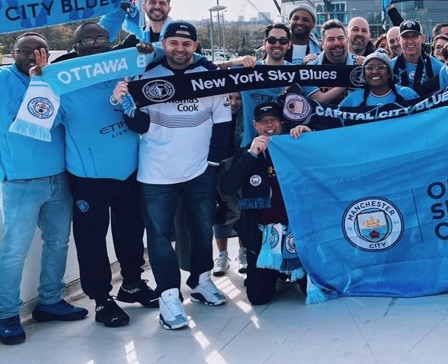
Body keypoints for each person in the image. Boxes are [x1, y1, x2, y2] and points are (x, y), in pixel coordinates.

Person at [33, 23, 160, 328]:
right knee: (91, 240)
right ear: (75, 48)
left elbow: (159, 60)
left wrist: (146, 51)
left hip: (129, 172)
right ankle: (102, 299)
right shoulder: (62, 85)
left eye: (102, 39)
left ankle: (132, 283)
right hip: (90, 177)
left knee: (131, 231)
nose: (95, 44)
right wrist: (40, 84)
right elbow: (40, 123)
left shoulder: (124, 74)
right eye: (86, 40)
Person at [112, 21, 234, 331]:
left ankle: (201, 280)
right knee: (159, 237)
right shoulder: (145, 76)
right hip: (156, 173)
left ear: (195, 46)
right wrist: (124, 100)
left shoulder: (211, 77)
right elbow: (139, 125)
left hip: (199, 171)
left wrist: (213, 163)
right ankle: (168, 296)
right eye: (174, 43)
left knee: (202, 229)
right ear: (163, 43)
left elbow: (223, 123)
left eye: (187, 43)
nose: (180, 49)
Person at [1, 33, 87, 346]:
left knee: (58, 242)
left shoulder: (55, 80)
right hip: (21, 180)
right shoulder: (2, 81)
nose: (32, 55)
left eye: (40, 51)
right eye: (25, 50)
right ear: (13, 53)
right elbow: (24, 118)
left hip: (59, 177)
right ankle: (6, 313)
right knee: (14, 250)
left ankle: (50, 301)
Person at [220, 102, 311, 305]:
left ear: (282, 122)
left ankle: (291, 270)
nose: (269, 125)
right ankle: (276, 272)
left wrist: (309, 138)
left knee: (309, 291)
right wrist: (252, 155)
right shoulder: (246, 152)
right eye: (263, 122)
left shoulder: (296, 144)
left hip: (298, 234)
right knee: (258, 297)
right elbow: (226, 187)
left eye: (273, 120)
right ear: (254, 125)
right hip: (264, 238)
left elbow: (324, 165)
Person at [214, 92, 246, 277]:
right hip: (218, 168)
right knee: (220, 210)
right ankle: (222, 256)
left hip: (239, 165)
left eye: (238, 98)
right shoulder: (215, 114)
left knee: (243, 209)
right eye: (229, 98)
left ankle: (243, 254)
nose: (233, 103)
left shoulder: (246, 117)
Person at [340, 50, 419, 106]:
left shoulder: (407, 94)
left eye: (381, 67)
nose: (375, 72)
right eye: (369, 68)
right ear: (364, 74)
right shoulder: (354, 97)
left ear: (389, 73)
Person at [391, 20, 444, 93]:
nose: (410, 41)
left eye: (414, 36)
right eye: (405, 37)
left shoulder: (438, 67)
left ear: (423, 38)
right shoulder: (390, 67)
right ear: (399, 39)